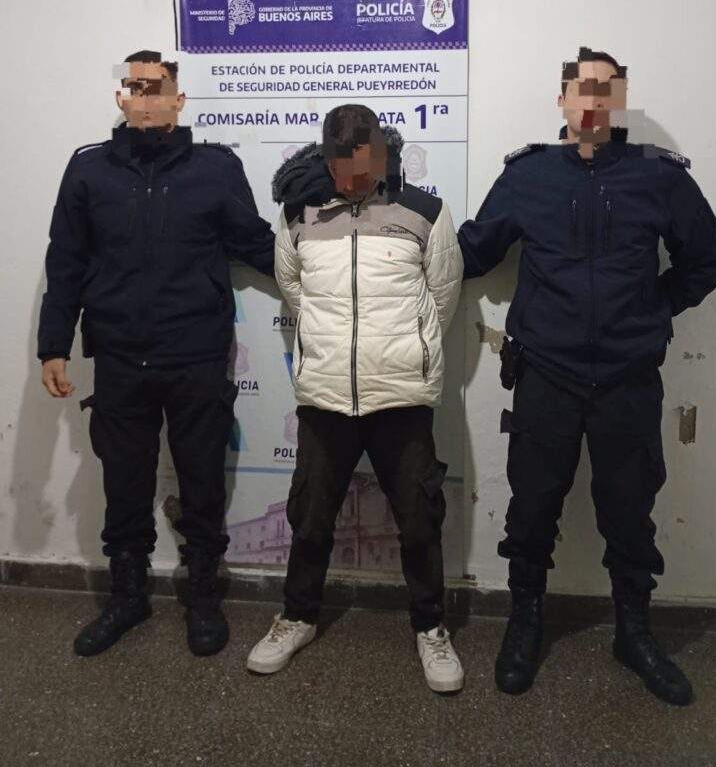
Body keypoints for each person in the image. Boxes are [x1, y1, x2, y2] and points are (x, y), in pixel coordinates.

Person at [458, 46, 716, 705]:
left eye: (606, 89)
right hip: (546, 372)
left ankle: (632, 633)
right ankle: (525, 622)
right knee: (531, 509)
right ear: (562, 98)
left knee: (630, 514)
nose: (593, 100)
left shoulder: (657, 176)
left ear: (619, 100)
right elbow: (474, 253)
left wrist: (654, 309)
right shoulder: (528, 176)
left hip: (627, 377)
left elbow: (707, 257)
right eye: (582, 88)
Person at [38, 50, 275, 657]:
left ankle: (203, 597)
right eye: (132, 86)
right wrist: (53, 346)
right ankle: (128, 596)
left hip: (196, 355)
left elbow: (255, 243)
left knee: (201, 482)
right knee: (124, 483)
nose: (143, 98)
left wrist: (326, 260)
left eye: (155, 86)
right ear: (121, 98)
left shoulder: (216, 168)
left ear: (178, 99)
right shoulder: (89, 170)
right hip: (120, 357)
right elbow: (66, 260)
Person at [247, 104, 465, 693]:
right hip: (325, 398)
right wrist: (330, 343)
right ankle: (297, 617)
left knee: (419, 520)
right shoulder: (300, 212)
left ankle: (430, 627)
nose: (351, 182)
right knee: (310, 518)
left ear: (383, 154)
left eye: (363, 169)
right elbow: (292, 287)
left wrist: (401, 349)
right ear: (327, 159)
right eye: (341, 170)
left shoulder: (425, 211)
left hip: (401, 395)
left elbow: (442, 295)